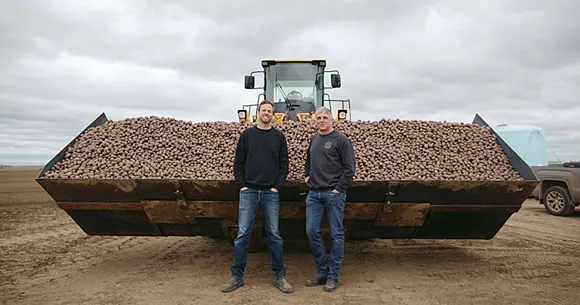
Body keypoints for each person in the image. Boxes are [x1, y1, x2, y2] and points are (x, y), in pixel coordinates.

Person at [221, 100, 293, 293]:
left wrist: (277, 187)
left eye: (269, 111)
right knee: (243, 234)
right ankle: (237, 276)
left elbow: (284, 164)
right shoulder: (247, 135)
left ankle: (280, 276)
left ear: (273, 114)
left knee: (274, 234)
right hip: (249, 191)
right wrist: (242, 185)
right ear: (258, 113)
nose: (266, 113)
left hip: (270, 192)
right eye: (264, 110)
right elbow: (238, 162)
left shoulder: (279, 137)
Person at [303, 106, 356, 292]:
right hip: (314, 195)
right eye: (319, 118)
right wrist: (306, 176)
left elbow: (350, 167)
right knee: (311, 231)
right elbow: (308, 161)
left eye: (325, 117)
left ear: (331, 119)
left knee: (336, 234)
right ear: (315, 120)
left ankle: (333, 276)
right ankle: (322, 272)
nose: (322, 120)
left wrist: (338, 189)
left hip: (333, 195)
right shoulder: (314, 139)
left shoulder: (341, 140)